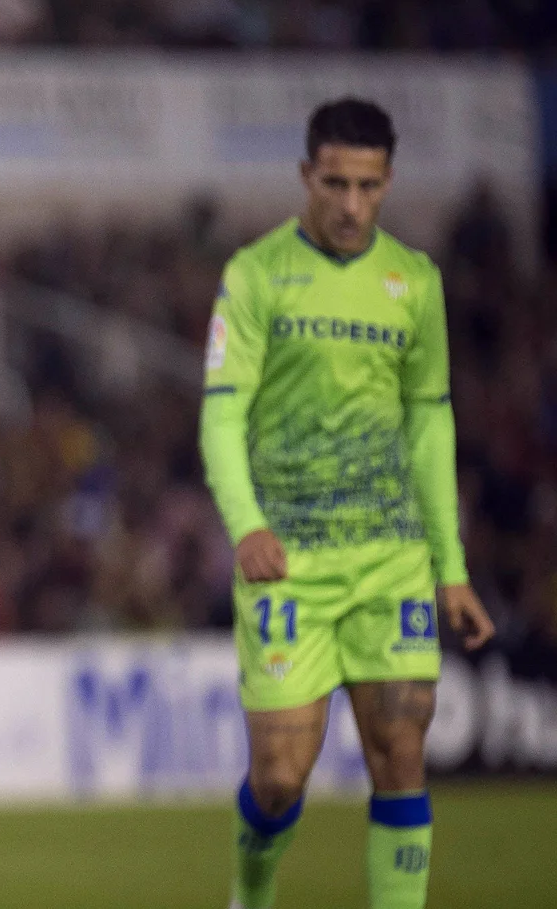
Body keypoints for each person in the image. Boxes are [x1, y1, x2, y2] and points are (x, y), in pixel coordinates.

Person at [200, 98, 495, 909]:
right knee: (279, 775)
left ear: (388, 182)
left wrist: (451, 567)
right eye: (335, 184)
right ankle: (250, 892)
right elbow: (221, 413)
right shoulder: (256, 274)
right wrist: (247, 524)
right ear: (307, 176)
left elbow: (430, 423)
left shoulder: (415, 281)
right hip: (289, 560)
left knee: (400, 753)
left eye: (368, 186)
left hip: (391, 559)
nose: (351, 205)